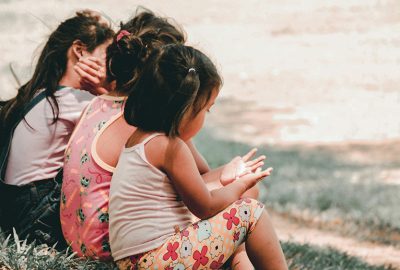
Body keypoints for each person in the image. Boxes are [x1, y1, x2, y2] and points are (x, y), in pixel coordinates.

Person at [109, 44, 288, 269]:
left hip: (134, 261)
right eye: (206, 109)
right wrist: (240, 185)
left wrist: (227, 177)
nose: (205, 117)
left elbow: (197, 189)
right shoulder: (170, 147)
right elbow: (206, 206)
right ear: (185, 108)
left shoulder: (141, 139)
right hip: (158, 259)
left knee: (233, 216)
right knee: (250, 212)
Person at [60, 9, 186, 260]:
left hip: (77, 239)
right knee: (242, 197)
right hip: (111, 246)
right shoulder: (141, 122)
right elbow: (194, 186)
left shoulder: (95, 103)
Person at [0, 10, 114, 249]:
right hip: (37, 223)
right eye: (107, 55)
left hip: (14, 212)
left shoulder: (41, 93)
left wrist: (99, 25)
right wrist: (106, 91)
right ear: (80, 51)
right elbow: (127, 127)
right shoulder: (77, 101)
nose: (111, 67)